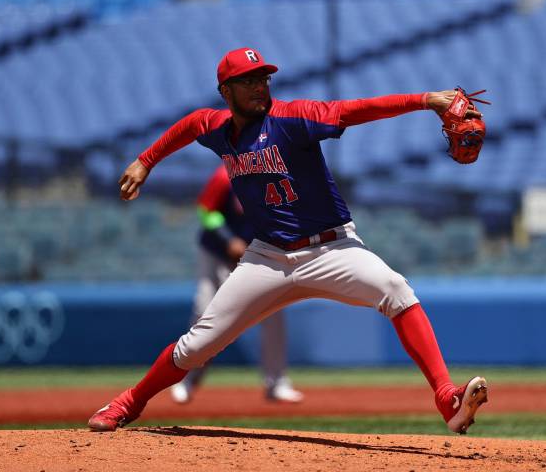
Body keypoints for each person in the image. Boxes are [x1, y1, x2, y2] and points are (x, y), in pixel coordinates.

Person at [88, 47, 489, 434]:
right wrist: (145, 161)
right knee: (195, 347)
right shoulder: (219, 129)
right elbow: (190, 124)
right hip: (268, 257)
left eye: (263, 78)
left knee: (396, 289)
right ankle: (129, 402)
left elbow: (355, 109)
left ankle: (446, 399)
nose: (259, 86)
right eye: (248, 81)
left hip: (332, 248)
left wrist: (425, 100)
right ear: (226, 91)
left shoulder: (293, 117)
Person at [171, 164, 304, 404]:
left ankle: (276, 382)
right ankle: (188, 379)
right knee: (204, 311)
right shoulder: (226, 174)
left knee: (273, 313)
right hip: (217, 253)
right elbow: (205, 211)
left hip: (256, 255)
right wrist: (228, 239)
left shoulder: (277, 177)